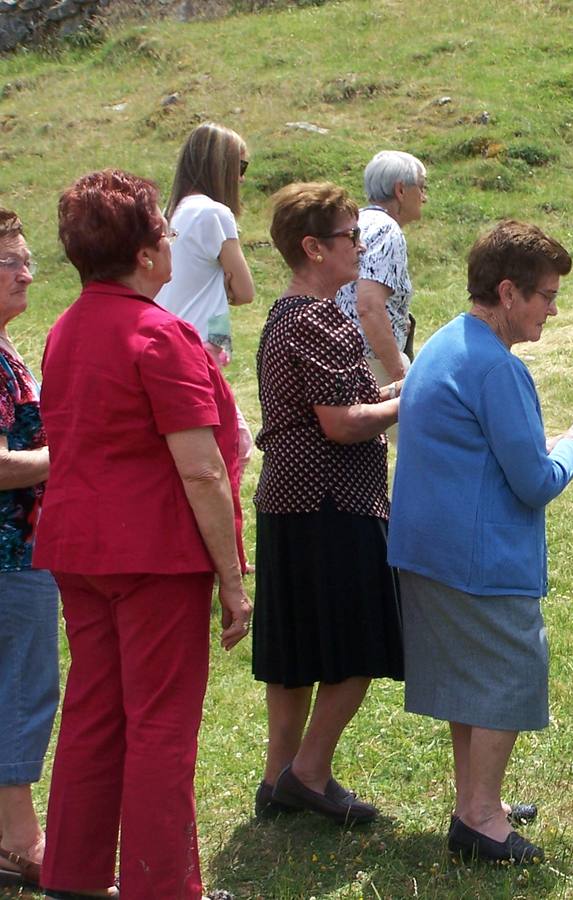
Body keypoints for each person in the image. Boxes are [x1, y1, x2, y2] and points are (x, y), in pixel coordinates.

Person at [36, 169, 250, 900]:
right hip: (154, 555)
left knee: (95, 709)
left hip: (78, 547)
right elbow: (201, 471)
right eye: (160, 231)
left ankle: (73, 873)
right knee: (160, 724)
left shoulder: (65, 328)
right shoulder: (160, 335)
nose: (167, 244)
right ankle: (163, 887)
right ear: (144, 252)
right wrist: (232, 576)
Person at [389, 220, 573, 864]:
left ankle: (475, 802)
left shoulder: (444, 343)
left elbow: (487, 449)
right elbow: (534, 482)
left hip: (429, 546)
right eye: (545, 295)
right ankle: (482, 820)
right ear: (508, 293)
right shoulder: (497, 369)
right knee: (506, 678)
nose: (553, 307)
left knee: (470, 682)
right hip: (479, 557)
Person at [251, 182, 403, 825]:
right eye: (350, 237)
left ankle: (277, 778)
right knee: (359, 643)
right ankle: (309, 775)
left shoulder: (288, 314)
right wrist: (413, 400)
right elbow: (342, 422)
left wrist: (398, 386)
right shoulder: (317, 318)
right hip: (332, 503)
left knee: (295, 652)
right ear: (314, 248)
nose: (360, 247)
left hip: (292, 503)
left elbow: (347, 398)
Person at [0, 209, 56, 892]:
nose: (26, 273)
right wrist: (62, 456)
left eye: (26, 257)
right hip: (10, 557)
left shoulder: (7, 348)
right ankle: (17, 839)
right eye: (10, 260)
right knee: (22, 688)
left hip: (20, 550)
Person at [157, 122, 257, 486]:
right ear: (223, 166)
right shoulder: (215, 213)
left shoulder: (176, 211)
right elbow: (245, 291)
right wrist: (226, 280)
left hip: (176, 344)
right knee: (234, 446)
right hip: (201, 349)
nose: (243, 179)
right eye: (241, 167)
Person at [333, 150, 427, 390]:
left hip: (340, 358)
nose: (424, 197)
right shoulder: (388, 230)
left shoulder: (357, 222)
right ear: (400, 190)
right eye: (422, 187)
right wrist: (399, 373)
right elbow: (369, 306)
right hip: (374, 365)